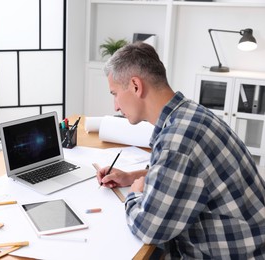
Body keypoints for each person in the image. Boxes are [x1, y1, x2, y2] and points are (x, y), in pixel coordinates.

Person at [97, 42, 265, 259]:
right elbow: (190, 173)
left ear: (136, 86)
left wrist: (134, 194)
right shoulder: (189, 113)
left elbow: (149, 229)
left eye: (115, 93)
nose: (115, 107)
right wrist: (132, 176)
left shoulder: (177, 141)